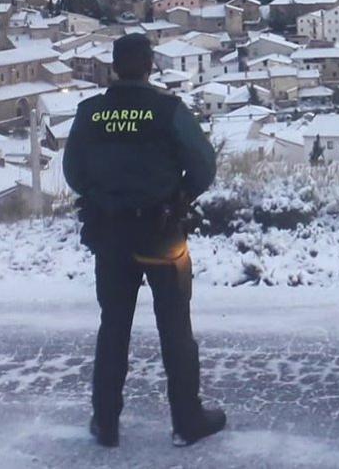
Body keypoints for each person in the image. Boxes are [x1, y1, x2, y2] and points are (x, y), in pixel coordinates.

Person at [63, 33, 225, 448]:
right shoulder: (167, 110)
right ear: (150, 65)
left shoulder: (90, 113)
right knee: (175, 328)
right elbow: (204, 166)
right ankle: (187, 421)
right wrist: (181, 196)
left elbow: (73, 174)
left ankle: (106, 423)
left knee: (113, 326)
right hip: (161, 234)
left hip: (110, 235)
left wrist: (102, 196)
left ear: (115, 67)